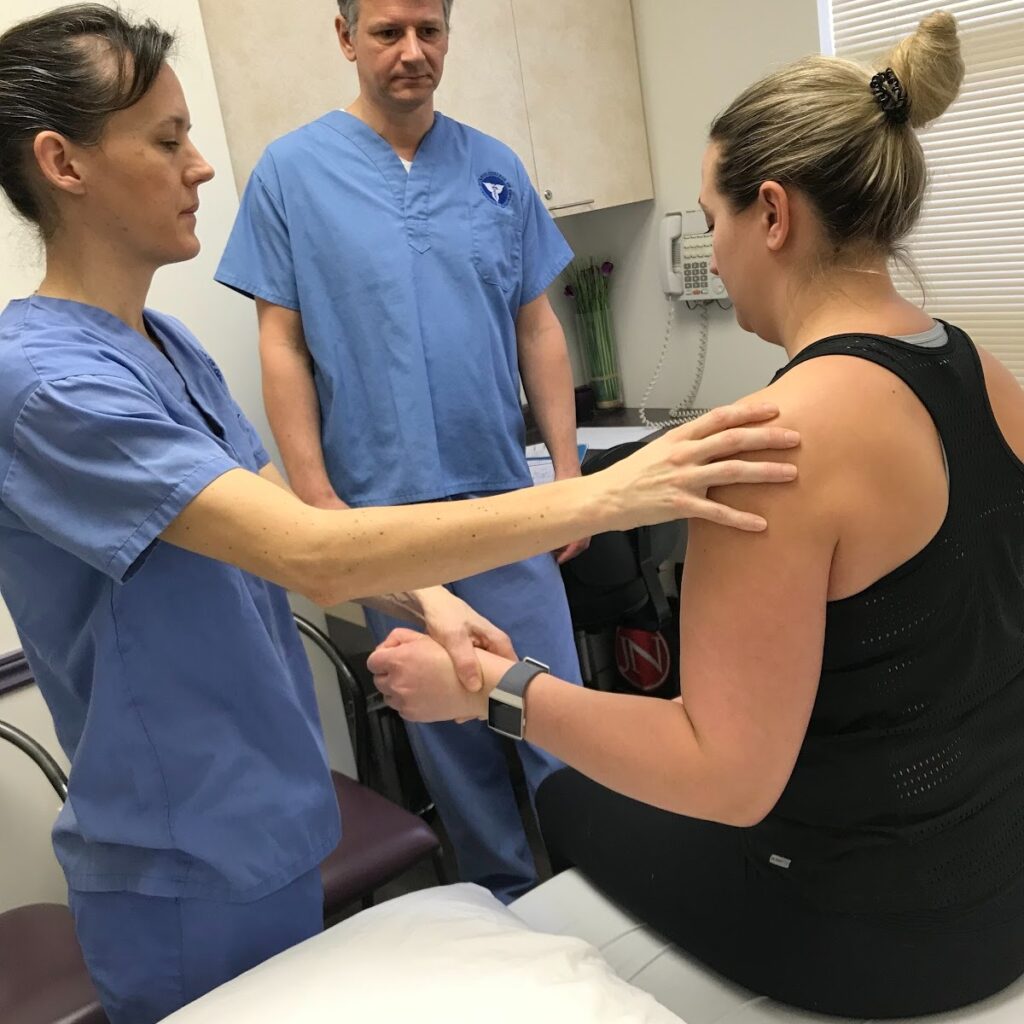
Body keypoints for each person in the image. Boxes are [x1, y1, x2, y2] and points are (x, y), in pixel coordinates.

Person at [0, 6, 801, 1022]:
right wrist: (607, 489)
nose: (200, 166)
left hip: (275, 821)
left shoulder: (165, 346)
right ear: (62, 163)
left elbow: (275, 519)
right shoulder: (45, 386)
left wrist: (432, 599)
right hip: (180, 863)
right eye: (167, 141)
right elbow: (307, 548)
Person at [371, 11, 1024, 1018]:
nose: (712, 256)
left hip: (878, 945)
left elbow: (725, 774)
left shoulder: (769, 442)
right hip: (1000, 894)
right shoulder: (985, 371)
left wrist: (492, 692)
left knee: (567, 796)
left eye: (713, 220)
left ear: (774, 214)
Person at [214, 0, 591, 903]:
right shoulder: (290, 174)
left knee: (557, 719)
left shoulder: (494, 167)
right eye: (388, 32)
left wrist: (570, 474)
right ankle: (504, 902)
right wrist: (317, 501)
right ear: (346, 37)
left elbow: (537, 325)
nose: (412, 51)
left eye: (430, 30)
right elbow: (281, 343)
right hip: (383, 523)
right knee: (453, 741)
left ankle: (600, 885)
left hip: (505, 506)